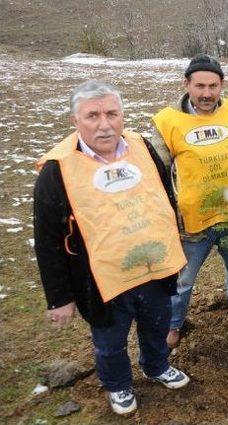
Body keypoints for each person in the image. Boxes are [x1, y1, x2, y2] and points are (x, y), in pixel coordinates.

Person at [34, 80, 190, 415]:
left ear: (122, 116)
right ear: (75, 121)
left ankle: (156, 365)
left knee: (158, 325)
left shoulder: (142, 147)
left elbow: (166, 197)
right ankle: (118, 385)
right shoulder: (57, 169)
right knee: (110, 342)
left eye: (111, 114)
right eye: (92, 116)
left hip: (153, 267)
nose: (104, 124)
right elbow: (47, 239)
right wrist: (60, 297)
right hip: (101, 280)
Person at [150, 54, 228, 349]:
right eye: (200, 86)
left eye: (213, 85)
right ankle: (174, 324)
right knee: (183, 280)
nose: (206, 93)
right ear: (187, 84)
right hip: (193, 220)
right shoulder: (168, 122)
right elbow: (157, 172)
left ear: (222, 85)